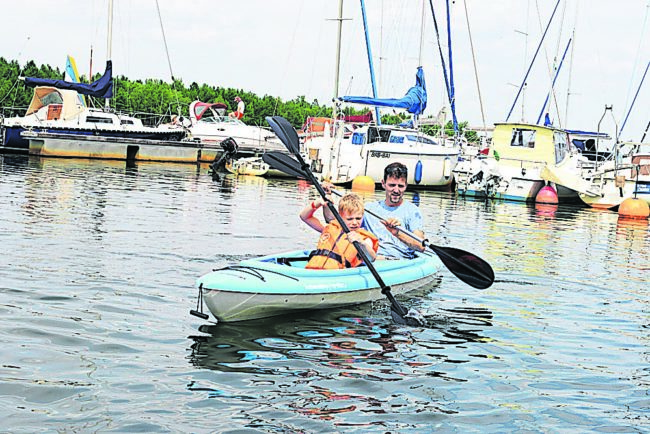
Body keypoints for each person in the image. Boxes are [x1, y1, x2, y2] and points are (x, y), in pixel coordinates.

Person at [324, 162, 426, 259]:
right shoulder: (369, 208)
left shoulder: (412, 211)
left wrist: (397, 233)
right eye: (392, 185)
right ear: (383, 183)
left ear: (406, 186)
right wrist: (327, 198)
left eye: (400, 186)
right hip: (368, 258)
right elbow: (333, 221)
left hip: (395, 261)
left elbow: (421, 246)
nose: (396, 190)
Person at [300, 192, 378, 269]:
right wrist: (317, 203)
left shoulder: (364, 239)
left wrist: (361, 243)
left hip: (338, 275)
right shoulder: (330, 228)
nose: (354, 222)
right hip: (313, 272)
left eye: (358, 218)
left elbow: (371, 258)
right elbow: (304, 217)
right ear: (340, 217)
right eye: (349, 219)